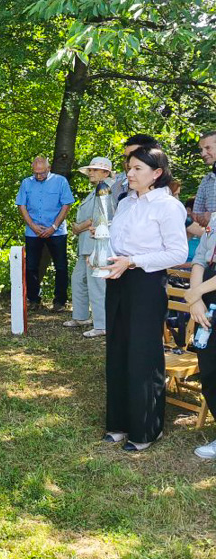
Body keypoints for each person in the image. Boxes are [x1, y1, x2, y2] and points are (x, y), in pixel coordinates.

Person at [101, 146, 187, 452]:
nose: (130, 173)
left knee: (142, 353)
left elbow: (177, 252)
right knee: (118, 348)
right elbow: (117, 241)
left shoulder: (168, 206)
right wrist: (105, 259)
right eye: (128, 167)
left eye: (137, 168)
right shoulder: (125, 203)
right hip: (118, 279)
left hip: (147, 282)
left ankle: (147, 429)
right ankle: (119, 423)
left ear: (157, 173)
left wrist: (133, 261)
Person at [15, 156, 75, 311]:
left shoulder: (60, 181)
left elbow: (66, 204)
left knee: (61, 266)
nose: (39, 176)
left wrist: (54, 226)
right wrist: (32, 226)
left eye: (41, 173)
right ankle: (34, 300)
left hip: (57, 231)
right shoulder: (26, 183)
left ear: (49, 169)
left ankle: (60, 302)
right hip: (33, 231)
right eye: (36, 173)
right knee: (30, 267)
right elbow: (21, 206)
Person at [63, 157, 114, 338]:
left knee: (97, 285)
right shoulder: (96, 190)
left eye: (94, 170)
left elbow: (102, 217)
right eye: (90, 170)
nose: (90, 173)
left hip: (98, 245)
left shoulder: (106, 188)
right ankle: (81, 316)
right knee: (78, 279)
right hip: (86, 244)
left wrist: (78, 227)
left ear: (106, 172)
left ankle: (102, 325)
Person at [185, 218, 216, 458]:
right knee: (210, 369)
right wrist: (195, 300)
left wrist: (196, 292)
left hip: (205, 289)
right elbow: (200, 258)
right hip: (207, 294)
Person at [111, 134, 160, 206]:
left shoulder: (166, 198)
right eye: (126, 158)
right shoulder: (116, 188)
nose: (128, 162)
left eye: (134, 157)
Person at [192, 131, 216, 226]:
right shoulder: (207, 180)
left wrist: (212, 216)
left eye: (208, 148)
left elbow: (208, 216)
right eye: (201, 150)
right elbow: (197, 213)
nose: (203, 154)